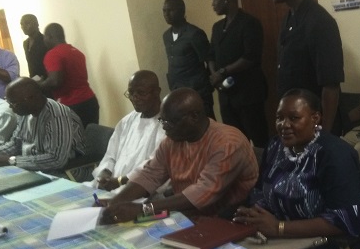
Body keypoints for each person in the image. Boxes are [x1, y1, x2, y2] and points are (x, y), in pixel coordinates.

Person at [233, 89, 360, 249]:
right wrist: (255, 214)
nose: (284, 125)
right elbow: (261, 190)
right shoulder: (276, 146)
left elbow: (345, 220)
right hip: (280, 233)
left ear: (315, 118)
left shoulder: (334, 155)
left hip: (335, 243)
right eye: (279, 118)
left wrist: (279, 227)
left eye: (294, 118)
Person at [98, 88, 257, 224]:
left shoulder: (227, 143)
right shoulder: (172, 140)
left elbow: (202, 194)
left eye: (169, 122)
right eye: (161, 121)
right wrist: (115, 203)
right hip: (185, 213)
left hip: (228, 219)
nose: (164, 127)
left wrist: (143, 209)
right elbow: (149, 175)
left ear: (194, 117)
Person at [267, 0, 344, 134]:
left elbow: (330, 86)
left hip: (313, 124)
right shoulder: (289, 18)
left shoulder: (320, 22)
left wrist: (324, 135)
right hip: (293, 121)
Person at [0, 78, 85, 173]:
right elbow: (16, 143)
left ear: (31, 98)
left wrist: (11, 160)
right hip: (33, 167)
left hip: (65, 172)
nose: (10, 107)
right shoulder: (25, 112)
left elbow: (56, 159)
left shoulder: (56, 116)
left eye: (13, 103)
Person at [208, 0, 269, 147]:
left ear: (227, 0)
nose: (212, 4)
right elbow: (211, 54)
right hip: (226, 95)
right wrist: (214, 74)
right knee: (233, 140)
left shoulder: (249, 23)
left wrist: (222, 72)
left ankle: (265, 164)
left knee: (259, 139)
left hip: (248, 93)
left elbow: (250, 57)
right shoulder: (217, 27)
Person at [92, 70, 165, 192]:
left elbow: (154, 168)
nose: (134, 97)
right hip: (110, 185)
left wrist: (119, 182)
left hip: (138, 191)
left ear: (157, 92)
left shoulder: (166, 124)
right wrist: (104, 174)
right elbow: (110, 156)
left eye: (141, 93)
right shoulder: (127, 121)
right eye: (131, 93)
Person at [162, 0, 214, 118]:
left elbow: (209, 59)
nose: (166, 14)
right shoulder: (166, 36)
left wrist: (207, 84)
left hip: (197, 90)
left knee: (206, 121)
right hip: (177, 90)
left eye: (170, 10)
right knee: (185, 123)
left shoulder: (194, 33)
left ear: (182, 11)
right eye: (164, 10)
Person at [41, 23, 100, 127]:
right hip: (90, 101)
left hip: (70, 104)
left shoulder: (53, 54)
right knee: (92, 135)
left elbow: (55, 81)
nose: (44, 40)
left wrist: (39, 85)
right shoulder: (78, 52)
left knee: (71, 136)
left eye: (44, 36)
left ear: (50, 36)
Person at [20, 14, 48, 79]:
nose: (23, 27)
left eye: (27, 23)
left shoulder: (45, 40)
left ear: (36, 24)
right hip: (34, 80)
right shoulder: (25, 43)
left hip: (47, 79)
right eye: (21, 24)